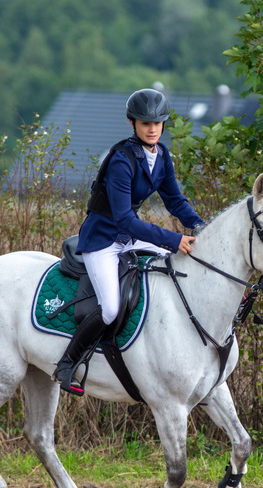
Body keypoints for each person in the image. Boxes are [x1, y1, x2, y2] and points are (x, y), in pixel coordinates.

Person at [52, 88, 205, 396]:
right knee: (109, 309)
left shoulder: (161, 155)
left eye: (157, 123)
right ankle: (67, 364)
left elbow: (174, 200)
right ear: (133, 123)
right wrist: (173, 238)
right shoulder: (122, 160)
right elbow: (124, 219)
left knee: (178, 268)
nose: (152, 129)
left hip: (128, 238)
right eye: (145, 123)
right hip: (102, 240)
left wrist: (200, 225)